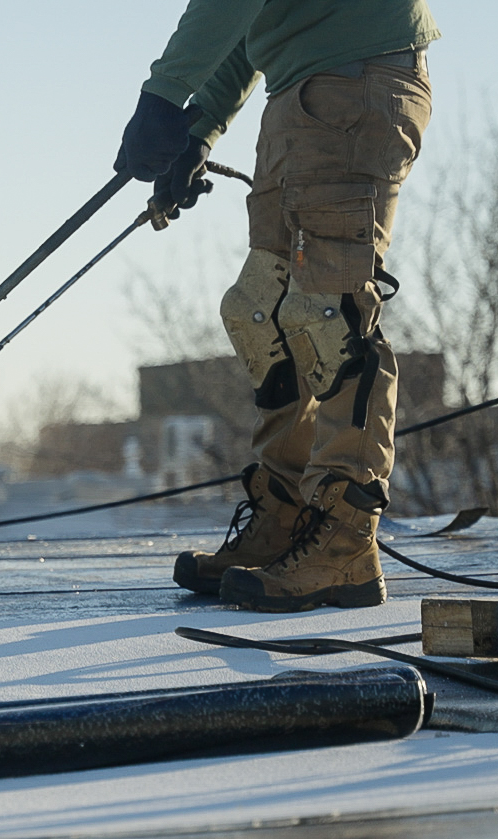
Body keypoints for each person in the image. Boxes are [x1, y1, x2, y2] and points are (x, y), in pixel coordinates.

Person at [115, 1, 437, 613]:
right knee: (259, 309)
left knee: (328, 312)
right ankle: (286, 518)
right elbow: (250, 18)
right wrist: (198, 126)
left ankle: (344, 539)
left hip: (352, 80)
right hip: (301, 94)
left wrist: (163, 98)